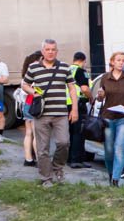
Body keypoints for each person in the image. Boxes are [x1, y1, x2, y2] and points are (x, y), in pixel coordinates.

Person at [21, 39, 78, 187]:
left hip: (61, 113)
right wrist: (34, 93)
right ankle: (46, 178)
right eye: (47, 49)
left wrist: (74, 109)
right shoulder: (33, 67)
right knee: (42, 148)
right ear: (43, 51)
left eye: (53, 49)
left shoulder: (64, 67)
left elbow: (72, 88)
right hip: (41, 114)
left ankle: (57, 167)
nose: (50, 52)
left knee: (64, 143)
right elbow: (24, 84)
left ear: (57, 51)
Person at [95, 51, 124, 187]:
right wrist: (100, 95)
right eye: (118, 60)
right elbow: (100, 98)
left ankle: (115, 179)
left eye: (123, 61)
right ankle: (111, 174)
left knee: (119, 147)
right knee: (108, 150)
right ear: (112, 62)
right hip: (108, 117)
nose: (121, 63)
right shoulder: (105, 78)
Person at [67, 51, 92, 168]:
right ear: (83, 61)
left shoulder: (67, 70)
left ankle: (69, 158)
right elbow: (85, 89)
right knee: (79, 133)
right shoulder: (81, 71)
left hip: (66, 104)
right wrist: (91, 97)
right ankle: (77, 160)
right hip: (78, 105)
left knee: (70, 133)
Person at [18, 49, 42, 167]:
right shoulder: (37, 72)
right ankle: (40, 160)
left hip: (27, 104)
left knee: (28, 133)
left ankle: (28, 159)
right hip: (36, 104)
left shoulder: (26, 73)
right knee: (37, 135)